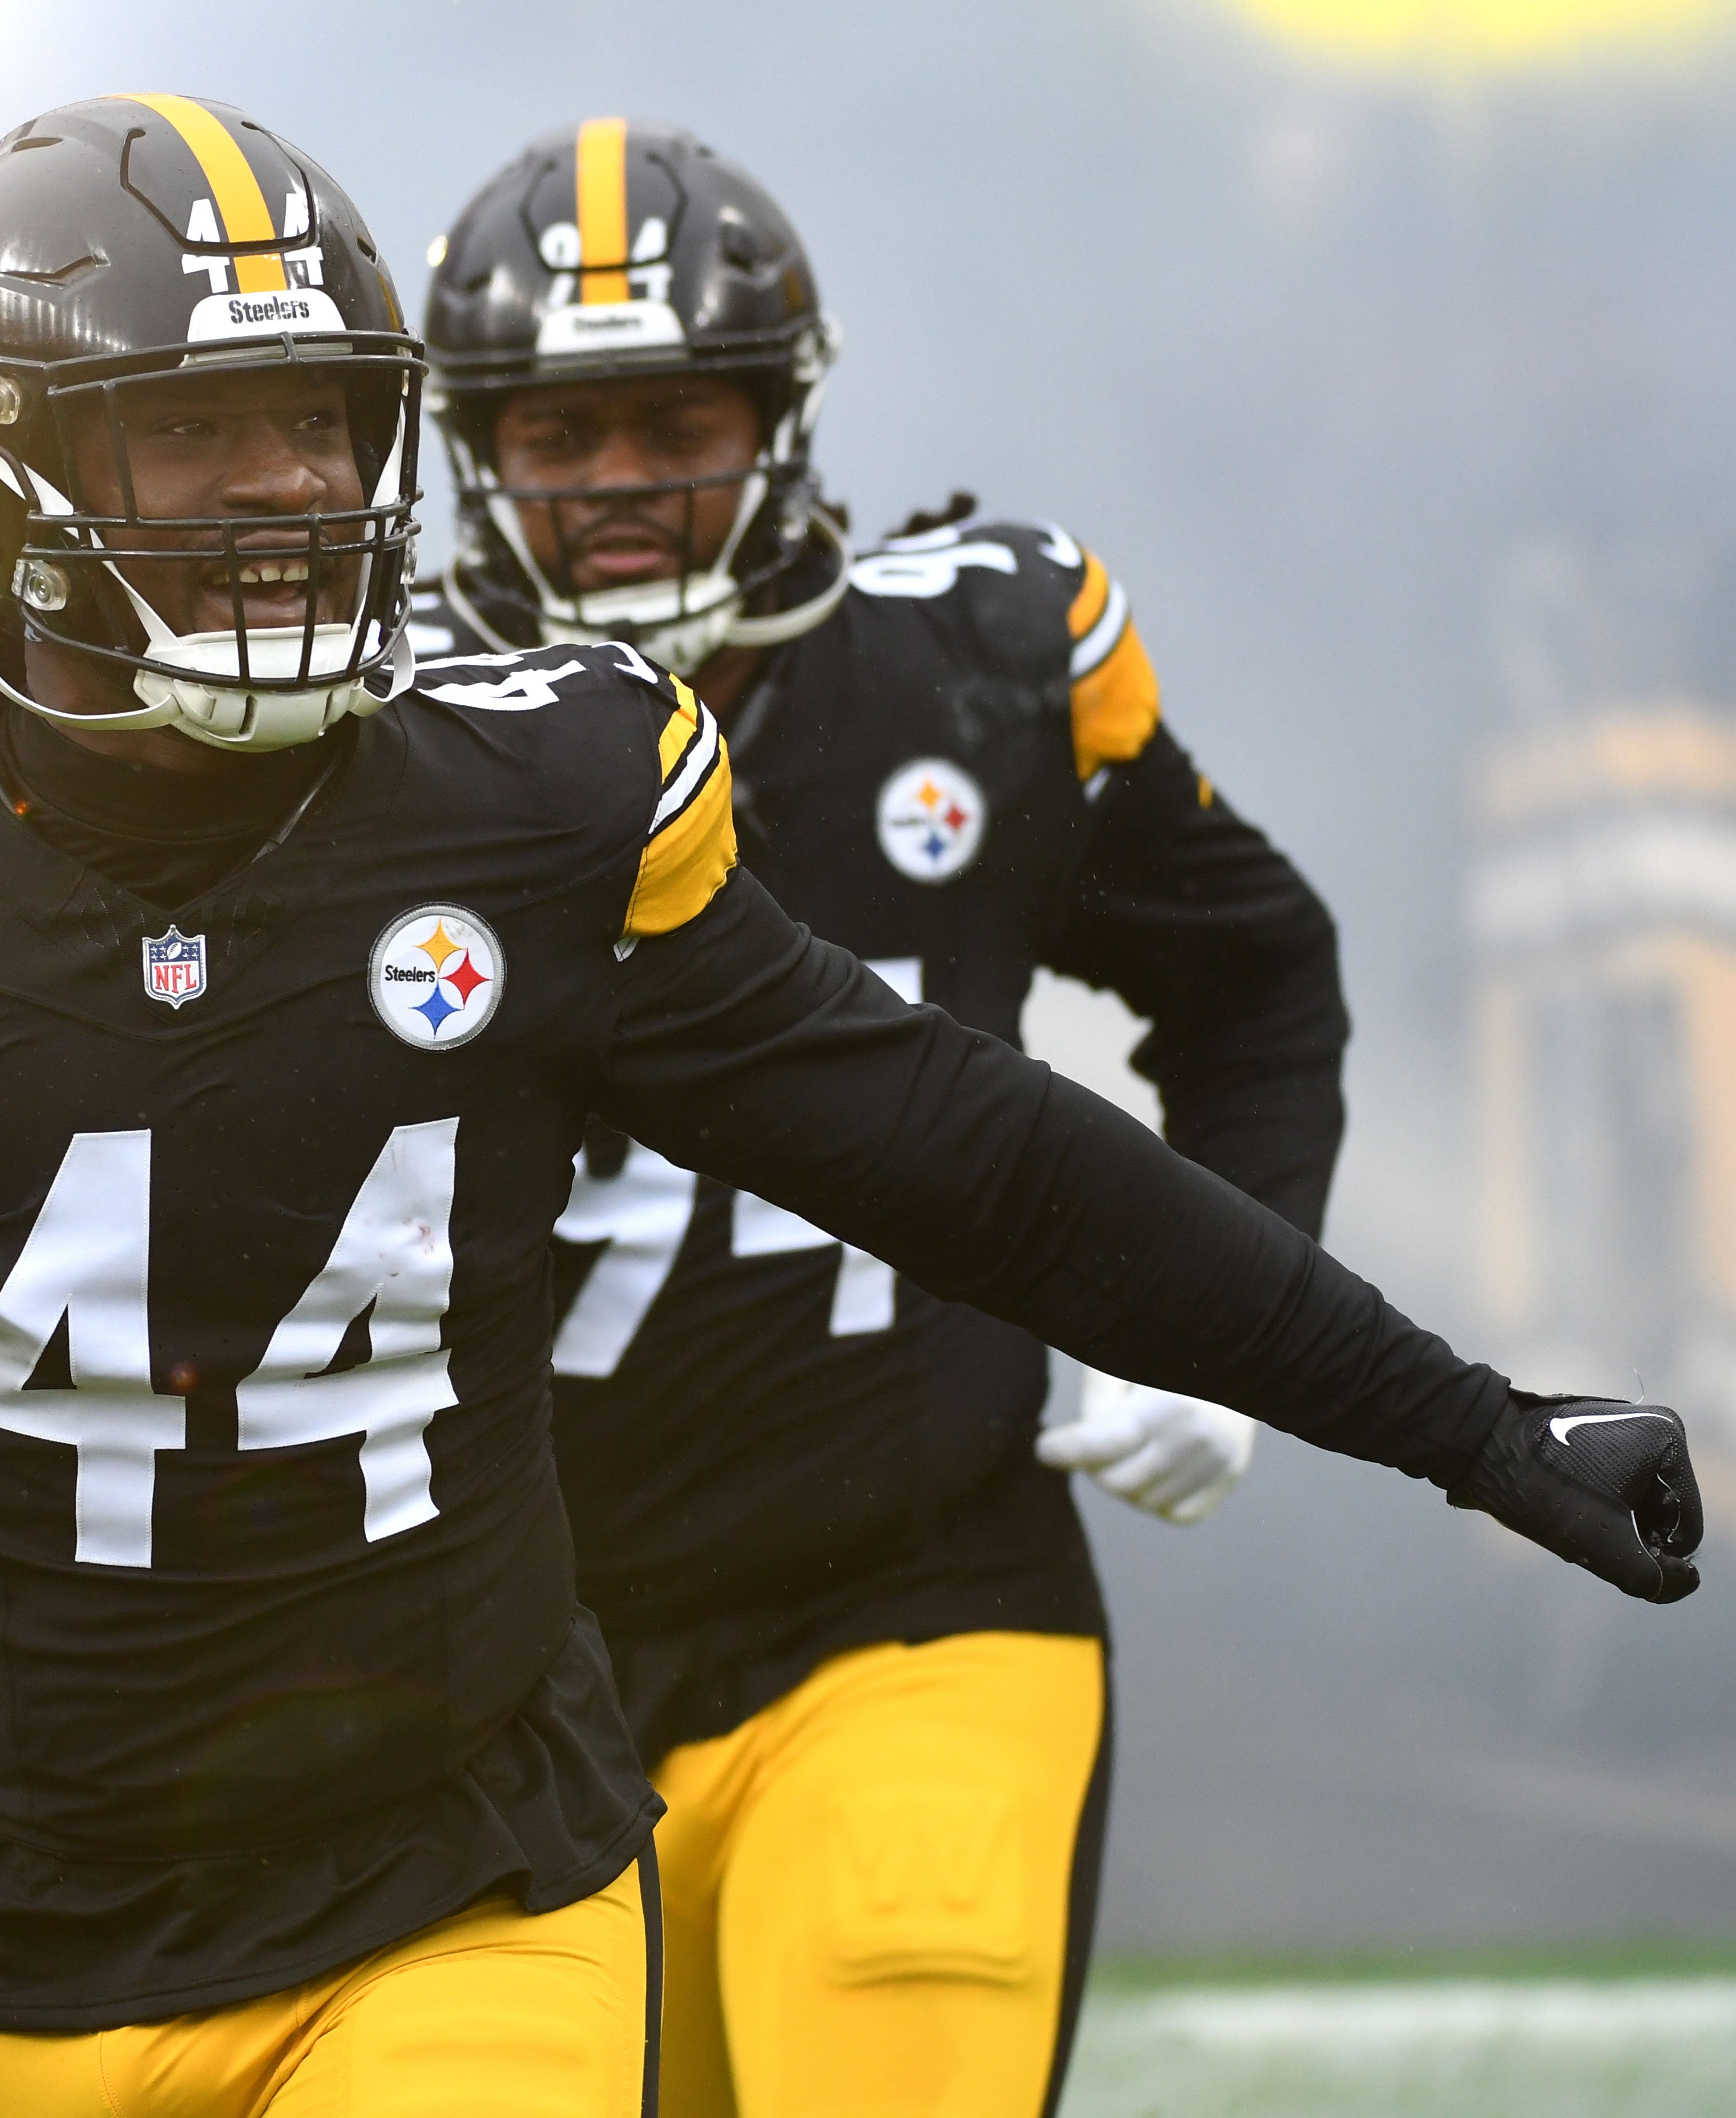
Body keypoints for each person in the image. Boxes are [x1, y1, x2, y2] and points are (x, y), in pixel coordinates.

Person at [0, 96, 1701, 2117]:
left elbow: (972, 1149)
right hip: (28, 1919)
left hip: (466, 1858)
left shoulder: (524, 793)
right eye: (202, 436)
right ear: (7, 468)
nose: (291, 500)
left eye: (321, 425)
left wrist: (1458, 1420)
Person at [415, 117, 1352, 2113]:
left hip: (915, 1595)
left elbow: (1255, 970)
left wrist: (1230, 1311)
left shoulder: (974, 661)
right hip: (483, 1678)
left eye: (670, 421)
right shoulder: (367, 747)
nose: (617, 493)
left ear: (778, 415)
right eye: (559, 441)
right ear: (475, 453)